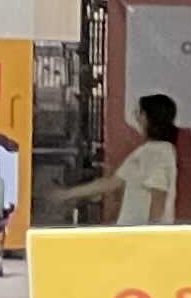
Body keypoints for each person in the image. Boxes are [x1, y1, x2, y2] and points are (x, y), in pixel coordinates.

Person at [49, 94, 183, 226]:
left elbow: (158, 197)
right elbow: (111, 182)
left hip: (142, 236)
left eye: (139, 112)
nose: (136, 116)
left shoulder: (158, 152)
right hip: (132, 233)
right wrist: (66, 194)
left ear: (147, 117)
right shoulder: (146, 151)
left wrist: (151, 234)